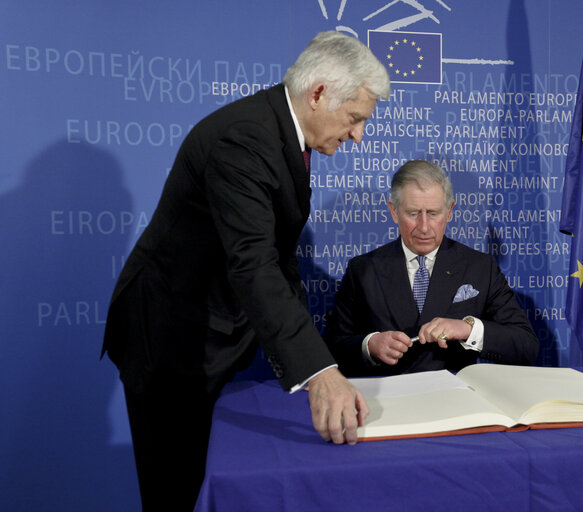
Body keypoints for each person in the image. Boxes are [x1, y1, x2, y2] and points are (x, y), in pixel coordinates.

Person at [101, 31, 389, 510]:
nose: (358, 134)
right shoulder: (245, 136)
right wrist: (319, 373)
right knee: (175, 488)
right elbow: (254, 263)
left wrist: (317, 359)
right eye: (355, 118)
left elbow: (280, 257)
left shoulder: (281, 132)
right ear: (318, 94)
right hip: (170, 338)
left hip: (211, 331)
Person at [325, 160, 539, 377]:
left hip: (455, 401)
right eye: (413, 213)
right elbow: (332, 347)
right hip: (389, 401)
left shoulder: (480, 267)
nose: (424, 227)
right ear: (394, 211)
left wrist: (467, 329)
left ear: (449, 211)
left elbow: (525, 345)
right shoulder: (362, 270)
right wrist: (369, 345)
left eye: (433, 213)